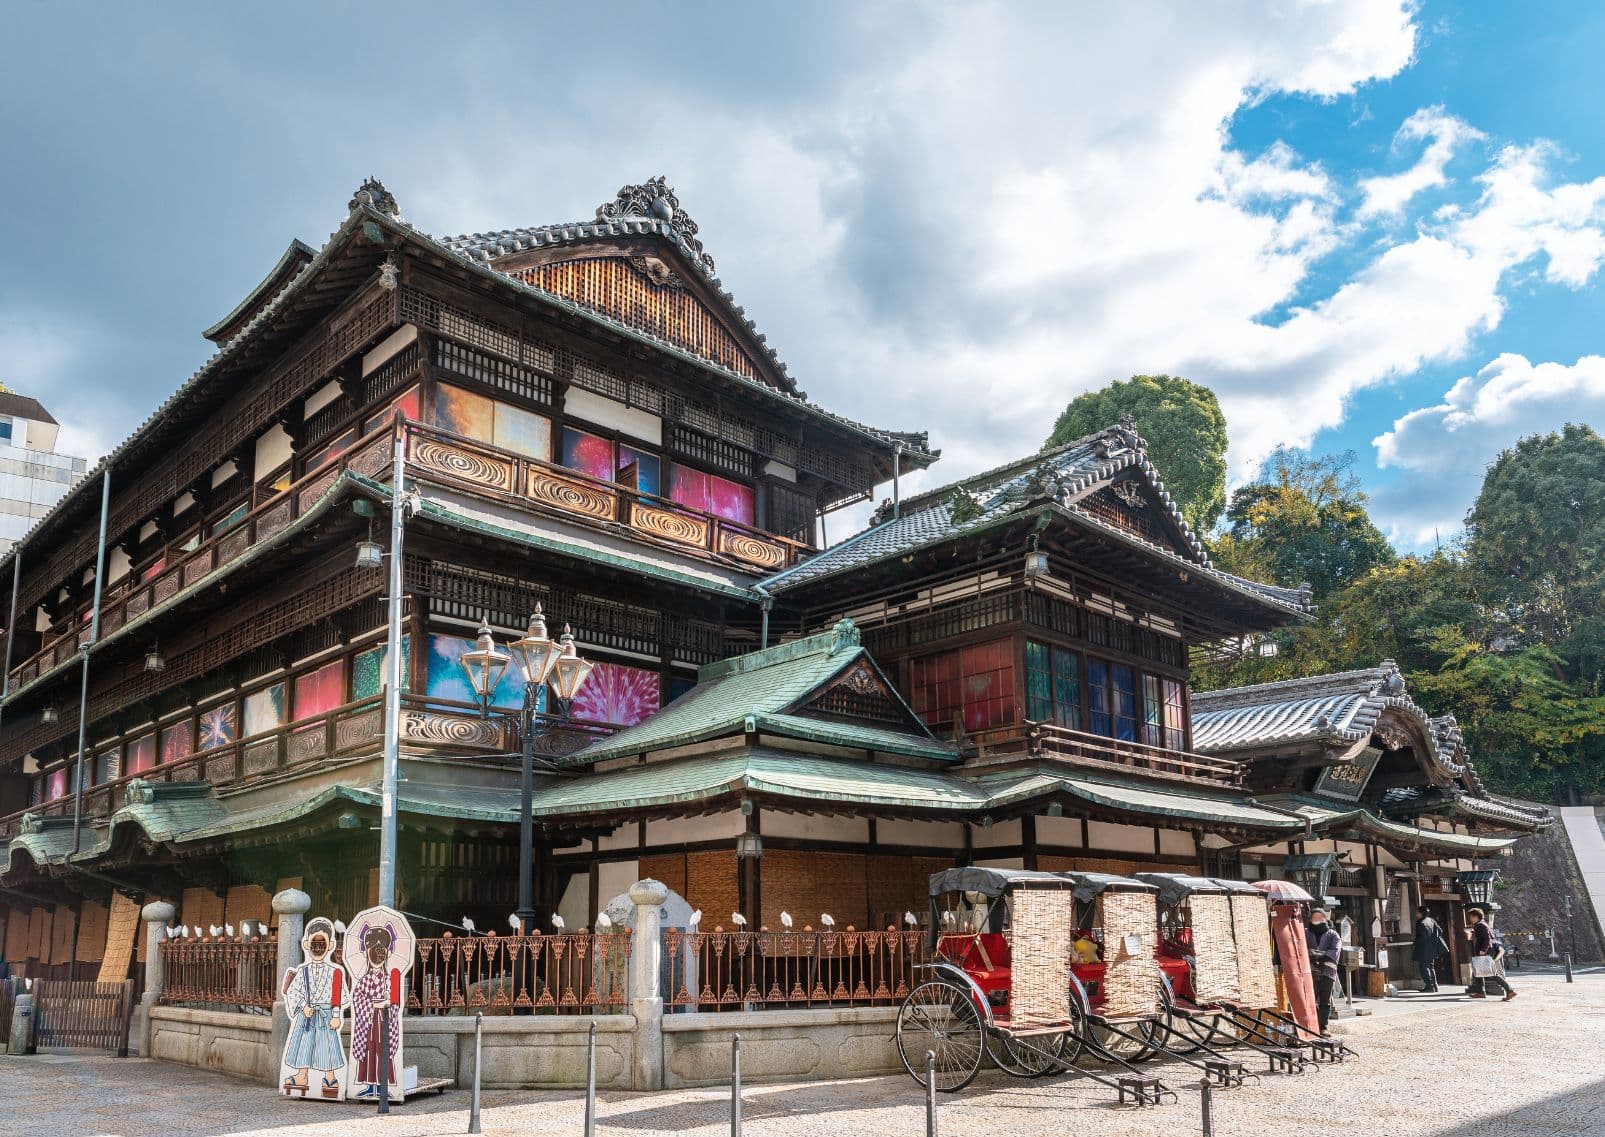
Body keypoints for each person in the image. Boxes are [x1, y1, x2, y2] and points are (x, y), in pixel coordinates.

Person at [280, 917, 345, 1098]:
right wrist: (303, 1006)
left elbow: (337, 995)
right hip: (307, 1015)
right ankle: (302, 1075)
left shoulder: (335, 972)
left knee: (328, 1045)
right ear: (307, 944)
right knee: (305, 1045)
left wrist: (336, 1015)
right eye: (314, 943)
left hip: (325, 1014)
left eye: (322, 943)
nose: (318, 948)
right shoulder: (303, 971)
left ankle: (330, 1077)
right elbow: (293, 991)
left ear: (330, 945)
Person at [1465, 908, 1516, 1002]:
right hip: (1488, 950)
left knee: (1490, 973)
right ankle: (1481, 992)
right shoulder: (1482, 924)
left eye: (1471, 916)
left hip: (1486, 951)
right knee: (1478, 970)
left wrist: (1483, 950)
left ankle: (1509, 990)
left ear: (1476, 916)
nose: (1470, 918)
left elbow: (1487, 939)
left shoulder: (1481, 925)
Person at [1306, 907, 1342, 1035]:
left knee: (1325, 1000)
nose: (1316, 919)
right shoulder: (1306, 933)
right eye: (1314, 917)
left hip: (1328, 971)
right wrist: (1313, 955)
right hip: (1310, 972)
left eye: (1319, 917)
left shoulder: (1333, 935)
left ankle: (1323, 1027)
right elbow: (1303, 950)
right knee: (1310, 1000)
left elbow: (1335, 951)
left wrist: (1317, 956)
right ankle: (1310, 1026)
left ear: (1324, 918)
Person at [1412, 905, 1449, 993]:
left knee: (1423, 967)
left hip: (1423, 947)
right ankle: (1435, 986)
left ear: (1421, 913)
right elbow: (1440, 931)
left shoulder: (1420, 922)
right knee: (1431, 966)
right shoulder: (1432, 920)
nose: (1416, 914)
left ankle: (1429, 986)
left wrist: (1415, 943)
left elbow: (1421, 937)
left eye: (1417, 912)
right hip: (1432, 947)